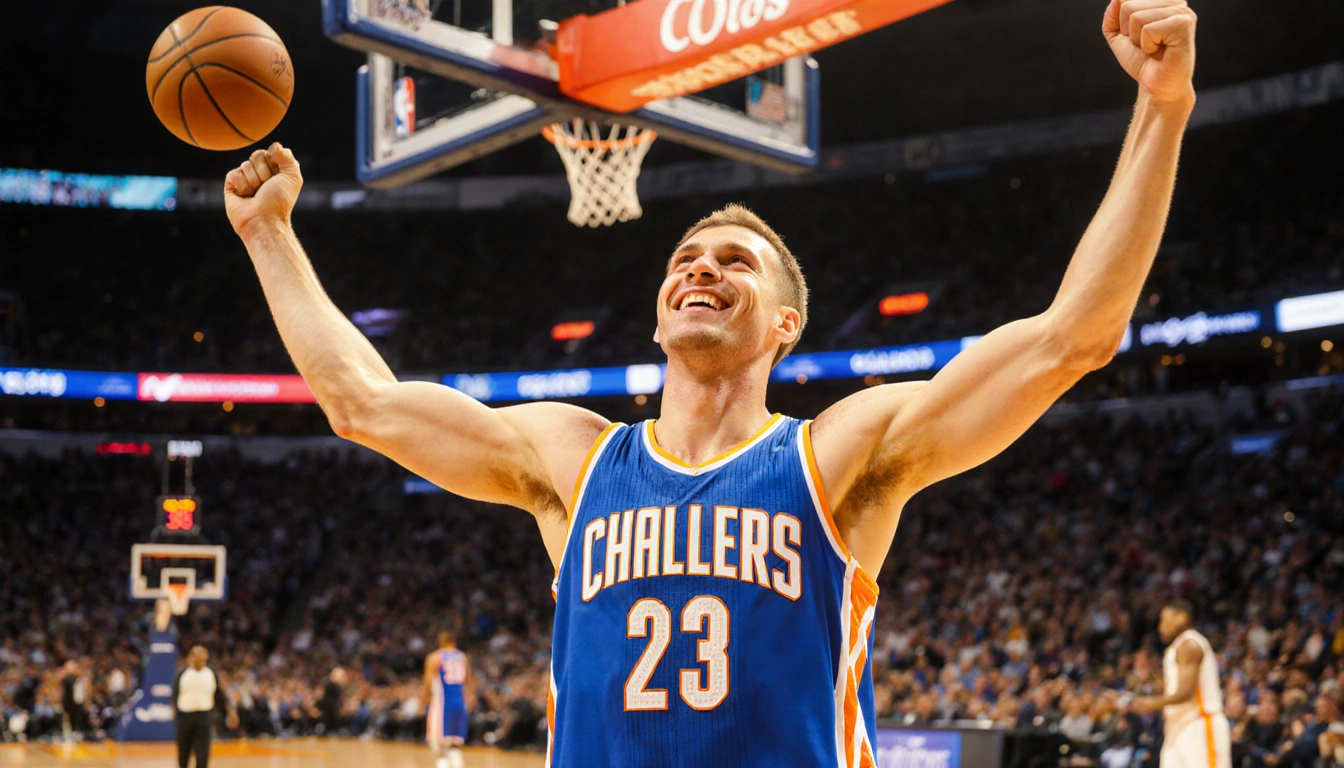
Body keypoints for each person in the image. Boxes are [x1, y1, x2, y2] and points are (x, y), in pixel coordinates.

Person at [221, 0, 1198, 762]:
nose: (702, 268)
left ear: (784, 326)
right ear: (658, 316)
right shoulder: (572, 460)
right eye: (687, 259)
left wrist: (1162, 106)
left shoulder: (839, 455)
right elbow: (362, 403)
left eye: (736, 261)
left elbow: (1072, 339)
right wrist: (269, 235)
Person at [1131, 601, 1231, 768]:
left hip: (1199, 724)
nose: (1160, 626)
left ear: (1181, 617)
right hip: (1177, 728)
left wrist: (1153, 703)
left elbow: (1186, 692)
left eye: (1165, 620)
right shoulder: (1175, 648)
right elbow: (1176, 688)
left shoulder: (1189, 644)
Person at [171, 646, 239, 768]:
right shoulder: (182, 673)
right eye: (197, 656)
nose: (200, 660)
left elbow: (219, 695)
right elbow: (175, 694)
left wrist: (231, 711)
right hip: (184, 717)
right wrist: (174, 711)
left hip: (204, 717)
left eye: (202, 658)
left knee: (202, 755)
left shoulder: (211, 673)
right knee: (183, 753)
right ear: (190, 658)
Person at [422, 631, 473, 768]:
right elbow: (469, 683)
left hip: (441, 705)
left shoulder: (436, 657)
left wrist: (423, 701)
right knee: (454, 746)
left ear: (440, 641)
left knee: (438, 747)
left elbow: (428, 682)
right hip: (460, 704)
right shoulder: (463, 657)